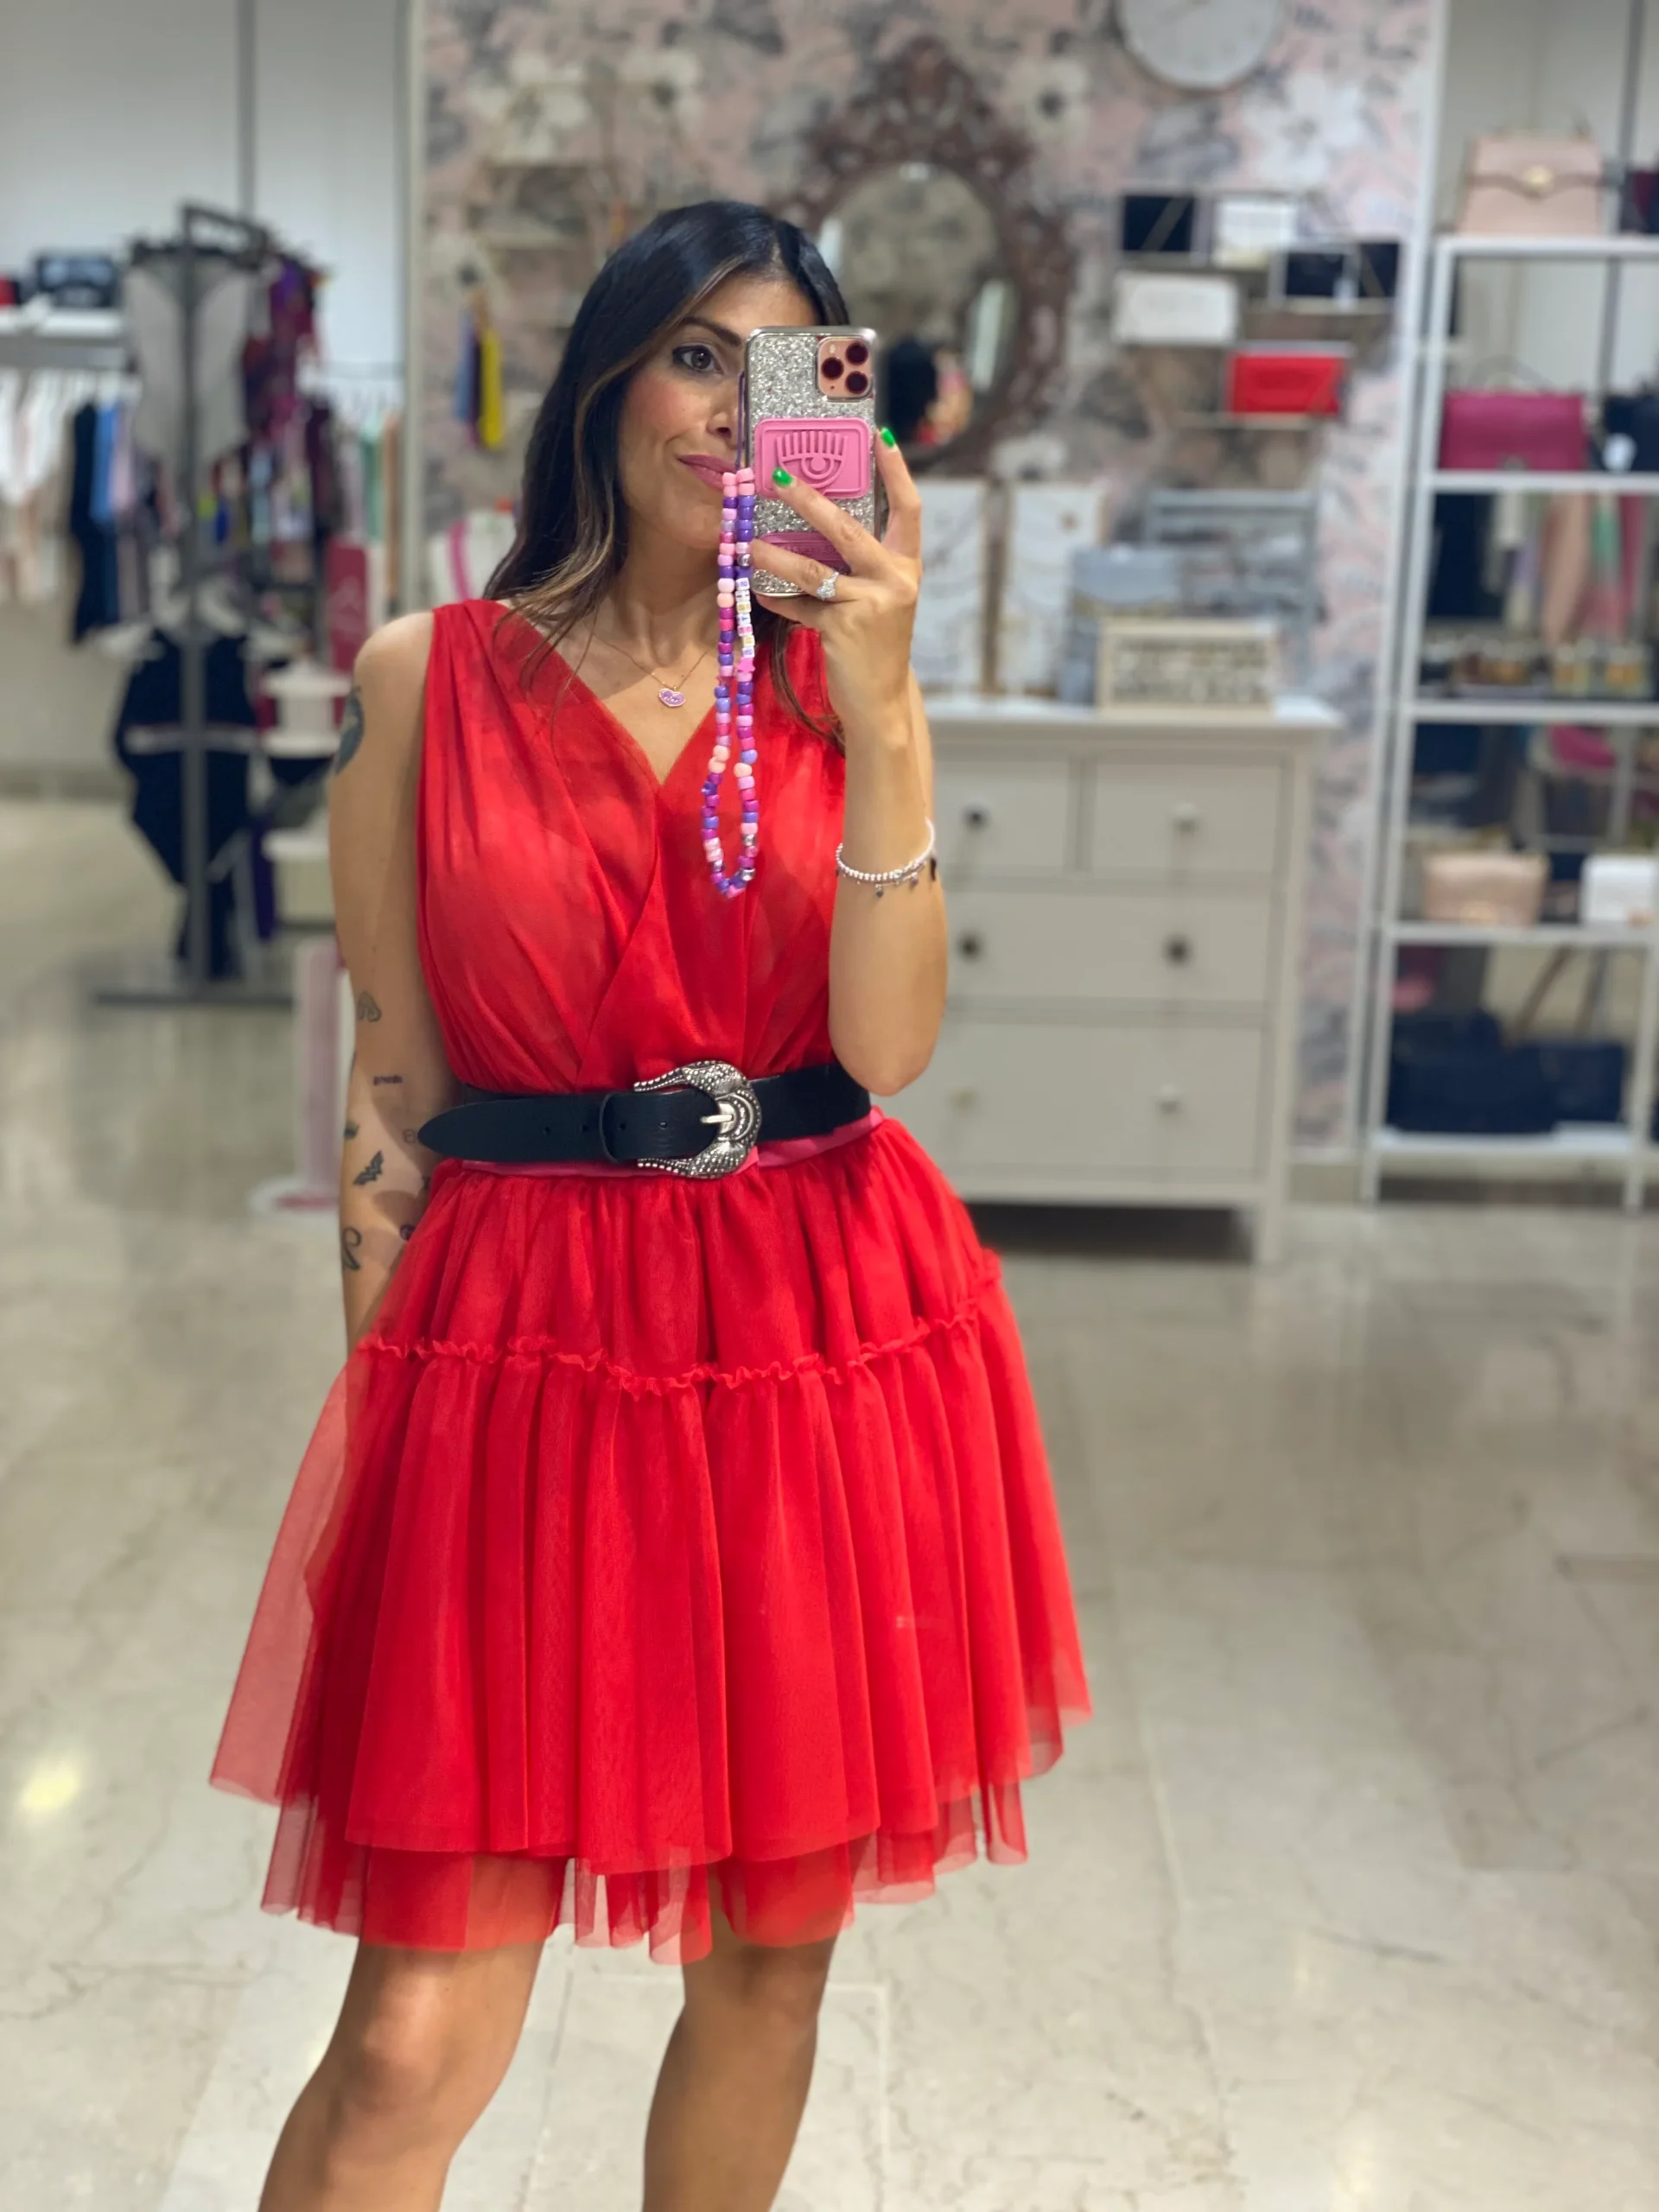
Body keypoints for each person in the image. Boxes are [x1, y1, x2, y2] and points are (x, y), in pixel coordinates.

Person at [212, 199, 1089, 2212]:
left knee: (770, 1958)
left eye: (777, 372)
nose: (725, 412)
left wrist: (884, 700)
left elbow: (886, 1047)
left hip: (812, 1331)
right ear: (607, 378)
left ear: (833, 412)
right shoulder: (426, 678)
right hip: (518, 1340)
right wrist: (386, 1419)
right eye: (694, 353)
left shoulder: (838, 686)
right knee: (408, 2036)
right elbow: (393, 1084)